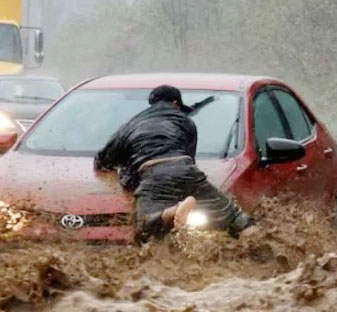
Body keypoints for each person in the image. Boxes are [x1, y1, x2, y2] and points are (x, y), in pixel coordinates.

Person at [94, 84, 254, 241]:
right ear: (176, 103)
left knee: (143, 228)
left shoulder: (130, 126)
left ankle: (173, 211)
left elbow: (102, 160)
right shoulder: (186, 122)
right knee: (236, 217)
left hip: (153, 174)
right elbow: (190, 159)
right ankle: (259, 246)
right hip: (186, 169)